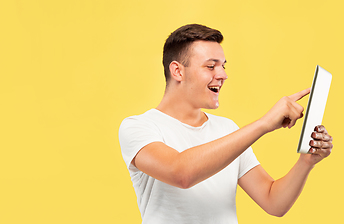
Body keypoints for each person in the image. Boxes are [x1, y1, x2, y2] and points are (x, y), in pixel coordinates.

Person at [119, 24, 333, 224]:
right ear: (177, 71)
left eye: (222, 66)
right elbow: (181, 173)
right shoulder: (139, 127)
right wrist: (264, 124)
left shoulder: (227, 130)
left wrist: (307, 160)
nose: (222, 75)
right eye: (211, 66)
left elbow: (273, 201)